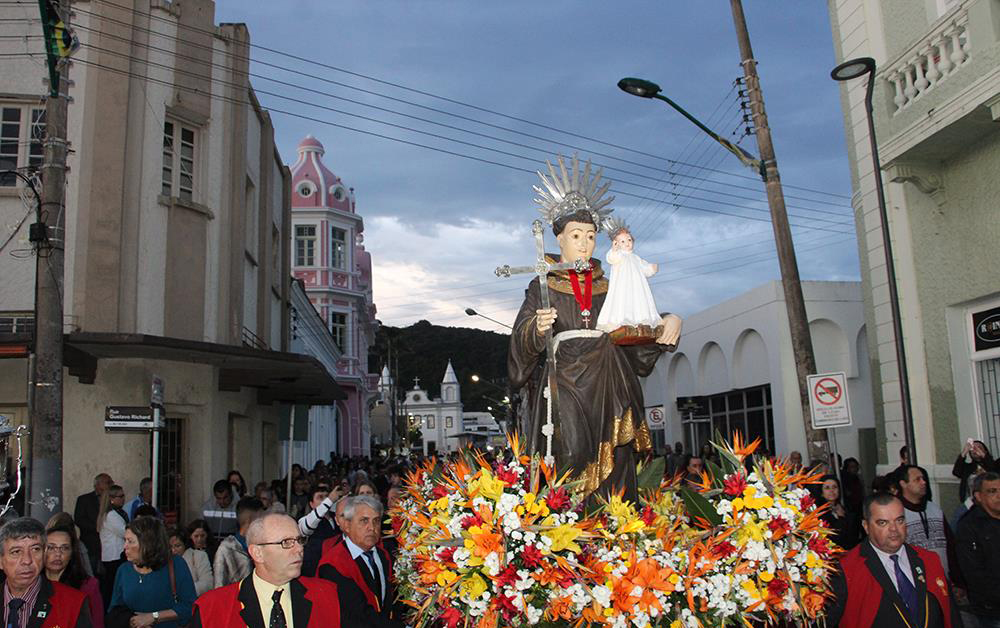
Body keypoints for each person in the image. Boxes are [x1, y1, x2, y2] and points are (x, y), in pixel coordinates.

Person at [509, 156, 682, 501]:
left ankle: (615, 534)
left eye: (590, 236)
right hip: (565, 384)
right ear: (559, 238)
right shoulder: (542, 284)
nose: (584, 243)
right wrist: (535, 329)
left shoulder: (612, 282)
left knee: (617, 462)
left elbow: (632, 326)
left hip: (611, 381)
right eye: (576, 235)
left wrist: (664, 324)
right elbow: (518, 345)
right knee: (570, 455)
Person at [826, 494, 961, 627]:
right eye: (883, 523)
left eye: (899, 520)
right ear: (866, 526)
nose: (894, 529)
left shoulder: (929, 560)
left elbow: (951, 615)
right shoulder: (846, 569)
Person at [190, 513, 341, 627]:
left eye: (299, 540)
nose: (299, 549)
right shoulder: (213, 609)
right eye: (286, 542)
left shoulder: (328, 595)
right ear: (257, 553)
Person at [317, 495, 403, 628]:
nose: (372, 527)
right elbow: (357, 616)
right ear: (347, 525)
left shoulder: (384, 555)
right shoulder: (333, 565)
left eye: (376, 521)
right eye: (364, 521)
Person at [0, 517, 92, 628]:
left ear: (44, 554)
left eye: (35, 549)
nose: (27, 560)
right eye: (16, 552)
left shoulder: (73, 603)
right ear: (1, 560)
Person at [107, 516, 196, 628]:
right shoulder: (124, 570)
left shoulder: (175, 564)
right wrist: (131, 620)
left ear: (148, 543)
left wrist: (153, 617)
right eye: (125, 540)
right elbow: (114, 611)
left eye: (130, 541)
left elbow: (189, 606)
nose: (125, 546)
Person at [594, 220, 661, 333]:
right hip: (624, 285)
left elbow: (644, 268)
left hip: (638, 286)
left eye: (629, 240)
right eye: (623, 241)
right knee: (624, 300)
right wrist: (614, 250)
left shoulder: (636, 258)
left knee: (639, 301)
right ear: (617, 243)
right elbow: (611, 258)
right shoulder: (619, 255)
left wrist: (651, 268)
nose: (627, 243)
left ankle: (642, 320)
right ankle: (623, 321)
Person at [896, 465, 957, 579]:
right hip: (915, 582)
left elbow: (951, 546)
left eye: (923, 478)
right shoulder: (896, 512)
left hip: (942, 579)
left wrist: (957, 579)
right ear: (903, 484)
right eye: (917, 479)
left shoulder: (934, 509)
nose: (923, 482)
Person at [956, 471, 1000, 626]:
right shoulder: (969, 526)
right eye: (992, 491)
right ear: (979, 496)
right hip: (992, 609)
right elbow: (974, 573)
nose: (999, 496)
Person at [44, 515, 104, 628]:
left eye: (64, 548)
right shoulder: (32, 585)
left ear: (72, 553)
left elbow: (97, 624)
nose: (58, 554)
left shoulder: (88, 586)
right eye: (51, 547)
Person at [214, 497, 265, 588]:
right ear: (250, 520)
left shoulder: (265, 545)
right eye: (261, 519)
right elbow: (219, 585)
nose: (264, 523)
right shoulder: (226, 548)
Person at [75, 472, 112, 575]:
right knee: (91, 573)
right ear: (98, 484)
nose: (111, 485)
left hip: (108, 545)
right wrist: (98, 528)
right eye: (108, 482)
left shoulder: (112, 501)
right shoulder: (84, 500)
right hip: (91, 544)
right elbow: (79, 520)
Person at [97, 484, 128, 608]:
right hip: (115, 556)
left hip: (111, 556)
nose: (123, 499)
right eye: (120, 496)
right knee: (112, 588)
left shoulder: (112, 514)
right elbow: (125, 532)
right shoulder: (111, 515)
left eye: (123, 495)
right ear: (112, 499)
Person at [299, 486, 338, 578]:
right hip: (313, 572)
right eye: (320, 497)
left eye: (327, 497)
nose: (325, 501)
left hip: (335, 568)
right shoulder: (304, 520)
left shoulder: (337, 518)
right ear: (311, 504)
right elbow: (308, 526)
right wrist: (329, 500)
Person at [818, 474, 861, 550]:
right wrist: (841, 518)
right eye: (827, 488)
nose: (831, 491)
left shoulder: (846, 508)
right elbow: (834, 538)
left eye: (834, 487)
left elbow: (854, 534)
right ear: (821, 493)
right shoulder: (819, 513)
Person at [168, 528, 213, 597]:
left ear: (185, 545)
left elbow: (207, 584)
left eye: (177, 546)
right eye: (170, 547)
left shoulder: (199, 556)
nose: (173, 550)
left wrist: (182, 591)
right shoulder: (165, 560)